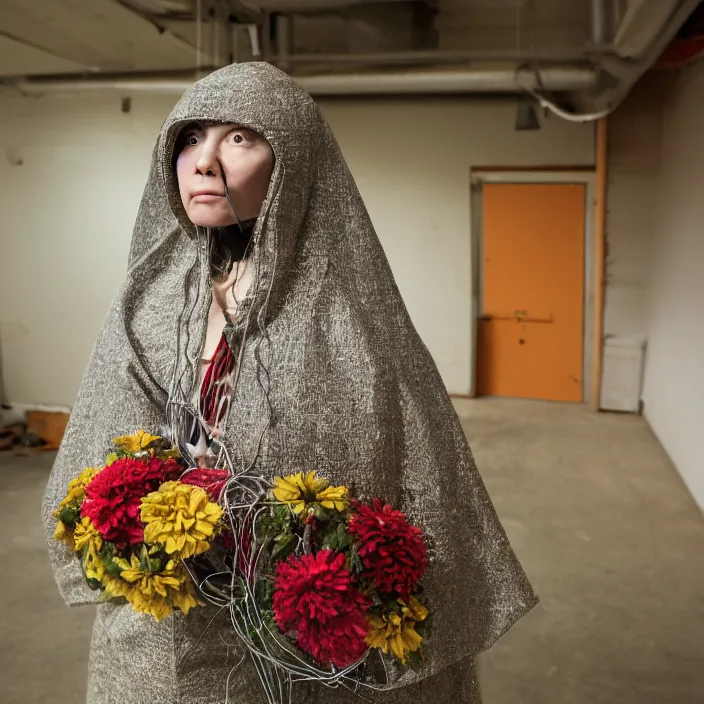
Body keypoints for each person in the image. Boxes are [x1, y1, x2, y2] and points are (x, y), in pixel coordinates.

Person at [41, 62, 537, 704]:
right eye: (190, 139)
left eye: (239, 139)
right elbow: (107, 436)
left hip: (301, 613)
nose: (204, 162)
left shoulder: (350, 315)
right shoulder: (150, 299)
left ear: (292, 164)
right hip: (168, 602)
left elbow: (399, 470)